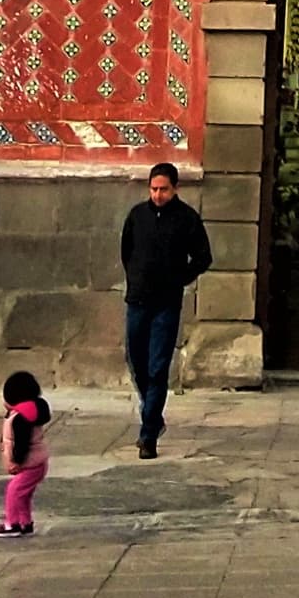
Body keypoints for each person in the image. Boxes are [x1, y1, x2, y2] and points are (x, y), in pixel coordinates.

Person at [119, 158, 213, 459]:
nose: (158, 195)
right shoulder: (137, 216)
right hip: (137, 300)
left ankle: (148, 437)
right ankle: (154, 416)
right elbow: (127, 251)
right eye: (154, 189)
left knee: (158, 367)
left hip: (166, 304)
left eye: (164, 189)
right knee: (137, 360)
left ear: (175, 189)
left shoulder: (187, 219)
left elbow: (203, 257)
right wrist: (135, 277)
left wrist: (179, 279)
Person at [0, 370, 52, 537]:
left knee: (14, 491)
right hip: (37, 463)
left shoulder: (20, 418)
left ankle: (12, 524)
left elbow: (21, 443)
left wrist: (16, 461)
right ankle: (25, 522)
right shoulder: (25, 414)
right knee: (23, 495)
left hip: (30, 463)